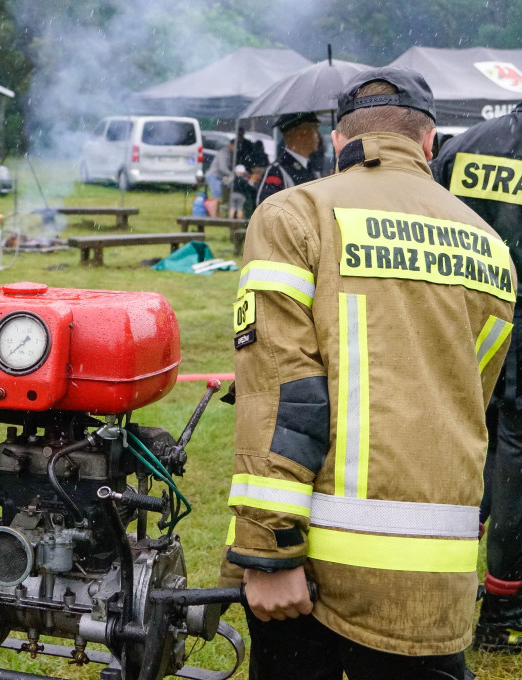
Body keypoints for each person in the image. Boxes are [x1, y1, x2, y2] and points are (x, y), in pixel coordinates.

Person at [221, 66, 516, 679]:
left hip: (316, 576)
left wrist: (267, 551)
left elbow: (282, 396)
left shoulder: (293, 216)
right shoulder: (488, 246)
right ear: (430, 142)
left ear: (338, 141)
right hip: (436, 584)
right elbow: (472, 398)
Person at [431, 100, 522, 653]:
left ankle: (442, 579)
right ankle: (504, 607)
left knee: (468, 442)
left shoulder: (467, 144)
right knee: (514, 458)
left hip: (466, 312)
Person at [255, 111, 321, 206]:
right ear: (301, 134)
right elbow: (266, 212)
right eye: (315, 129)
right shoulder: (277, 171)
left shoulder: (311, 169)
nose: (318, 136)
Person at [205, 139, 235, 216]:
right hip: (214, 176)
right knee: (216, 198)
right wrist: (232, 174)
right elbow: (223, 168)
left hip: (218, 177)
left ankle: (216, 216)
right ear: (231, 144)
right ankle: (214, 217)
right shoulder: (224, 152)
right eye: (236, 146)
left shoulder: (228, 153)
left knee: (218, 198)